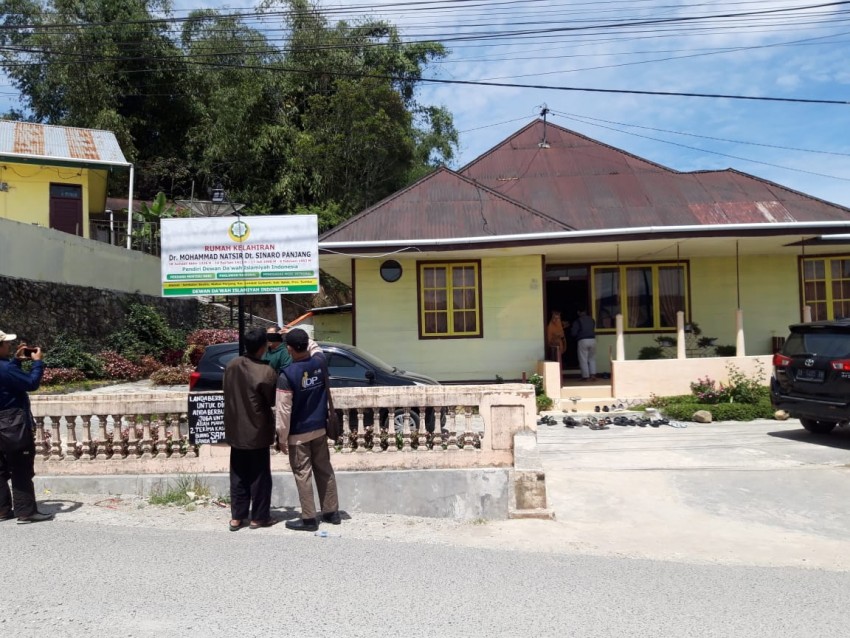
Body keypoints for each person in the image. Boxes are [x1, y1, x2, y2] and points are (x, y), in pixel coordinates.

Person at [275, 328, 340, 532]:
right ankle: (331, 512)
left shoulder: (287, 375)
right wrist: (305, 337)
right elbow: (316, 347)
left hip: (298, 434)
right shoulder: (319, 362)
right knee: (324, 469)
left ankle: (309, 518)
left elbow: (283, 412)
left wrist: (282, 438)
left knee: (303, 473)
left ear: (289, 349)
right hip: (320, 428)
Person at [222, 327, 278, 531]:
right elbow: (272, 399)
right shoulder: (266, 371)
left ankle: (237, 517)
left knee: (238, 474)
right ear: (263, 347)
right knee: (260, 475)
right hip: (257, 430)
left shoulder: (231, 365)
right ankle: (259, 517)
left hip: (236, 428)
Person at [0, 329, 53, 524]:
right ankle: (26, 512)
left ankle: (2, 510)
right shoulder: (5, 368)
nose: (8, 345)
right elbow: (31, 383)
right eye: (5, 343)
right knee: (20, 468)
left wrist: (15, 362)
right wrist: (37, 362)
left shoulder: (7, 367)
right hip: (12, 423)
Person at [570, 309, 597, 381]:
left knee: (583, 359)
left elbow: (574, 333)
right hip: (593, 340)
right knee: (592, 358)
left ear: (578, 312)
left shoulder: (578, 321)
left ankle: (585, 376)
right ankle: (593, 375)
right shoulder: (592, 320)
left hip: (583, 340)